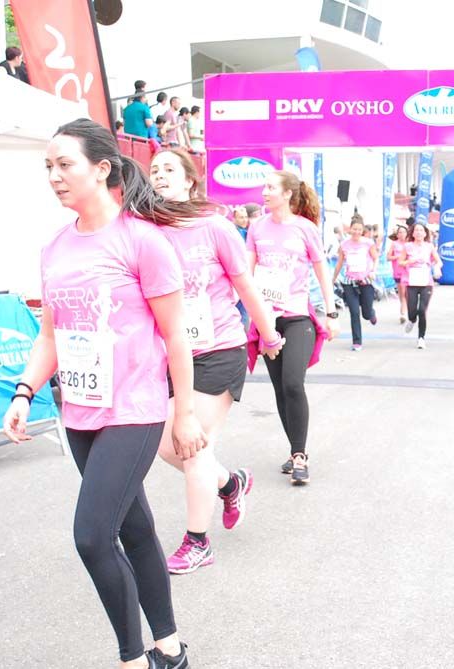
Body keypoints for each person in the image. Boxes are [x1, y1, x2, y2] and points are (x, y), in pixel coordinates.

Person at [2, 118, 199, 669]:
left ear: (102, 168)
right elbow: (50, 336)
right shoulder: (55, 247)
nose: (54, 176)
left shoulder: (143, 241)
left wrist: (184, 414)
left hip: (134, 409)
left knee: (92, 536)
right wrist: (24, 392)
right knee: (134, 528)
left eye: (65, 164)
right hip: (81, 411)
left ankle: (132, 658)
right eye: (48, 167)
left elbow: (176, 336)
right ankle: (171, 648)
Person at [148, 148, 284, 574]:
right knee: (165, 446)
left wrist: (268, 334)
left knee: (191, 446)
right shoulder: (146, 231)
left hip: (218, 349)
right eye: (154, 170)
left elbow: (246, 286)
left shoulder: (215, 227)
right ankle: (229, 483)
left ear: (190, 180)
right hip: (171, 356)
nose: (159, 175)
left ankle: (197, 542)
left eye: (169, 169)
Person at [247, 170, 339, 484]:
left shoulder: (305, 228)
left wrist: (331, 312)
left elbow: (322, 273)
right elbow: (247, 273)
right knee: (279, 388)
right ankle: (294, 449)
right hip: (267, 319)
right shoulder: (256, 227)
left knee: (292, 383)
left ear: (287, 193)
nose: (264, 192)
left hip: (298, 317)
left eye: (271, 187)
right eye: (264, 187)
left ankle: (300, 455)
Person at [333, 214, 379, 351]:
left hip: (365, 281)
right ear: (350, 229)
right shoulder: (344, 244)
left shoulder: (368, 243)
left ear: (362, 230)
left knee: (366, 313)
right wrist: (333, 279)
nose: (356, 232)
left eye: (359, 229)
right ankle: (357, 342)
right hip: (349, 282)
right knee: (354, 312)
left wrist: (373, 271)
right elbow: (339, 263)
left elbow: (375, 258)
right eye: (354, 229)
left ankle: (371, 314)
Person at [399, 222, 441, 349]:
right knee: (412, 310)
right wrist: (409, 261)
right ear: (412, 233)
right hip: (411, 281)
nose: (418, 232)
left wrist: (437, 268)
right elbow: (400, 262)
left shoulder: (429, 246)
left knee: (422, 310)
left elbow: (438, 261)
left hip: (426, 282)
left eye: (421, 230)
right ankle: (412, 320)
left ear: (425, 233)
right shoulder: (407, 246)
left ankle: (421, 338)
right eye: (416, 230)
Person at [387, 225, 409, 322]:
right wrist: (397, 257)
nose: (402, 234)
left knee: (406, 293)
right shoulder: (394, 244)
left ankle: (403, 313)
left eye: (404, 232)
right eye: (400, 232)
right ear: (397, 234)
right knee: (401, 294)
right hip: (397, 272)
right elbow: (388, 257)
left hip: (408, 272)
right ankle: (403, 310)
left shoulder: (409, 244)